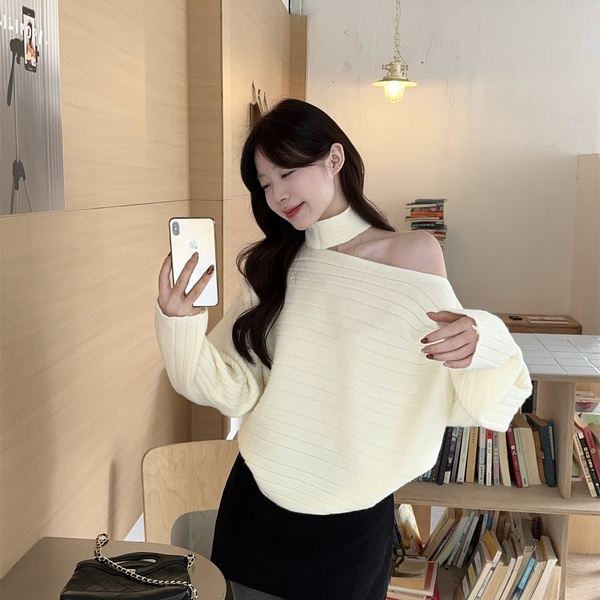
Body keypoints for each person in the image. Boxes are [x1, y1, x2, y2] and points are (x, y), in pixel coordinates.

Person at [156, 98, 532, 600]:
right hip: (256, 509)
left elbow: (461, 373)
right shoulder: (273, 267)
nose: (277, 195)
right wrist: (179, 325)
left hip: (353, 526)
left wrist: (480, 335)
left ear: (334, 158)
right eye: (264, 184)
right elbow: (237, 388)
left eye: (286, 173)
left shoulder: (412, 254)